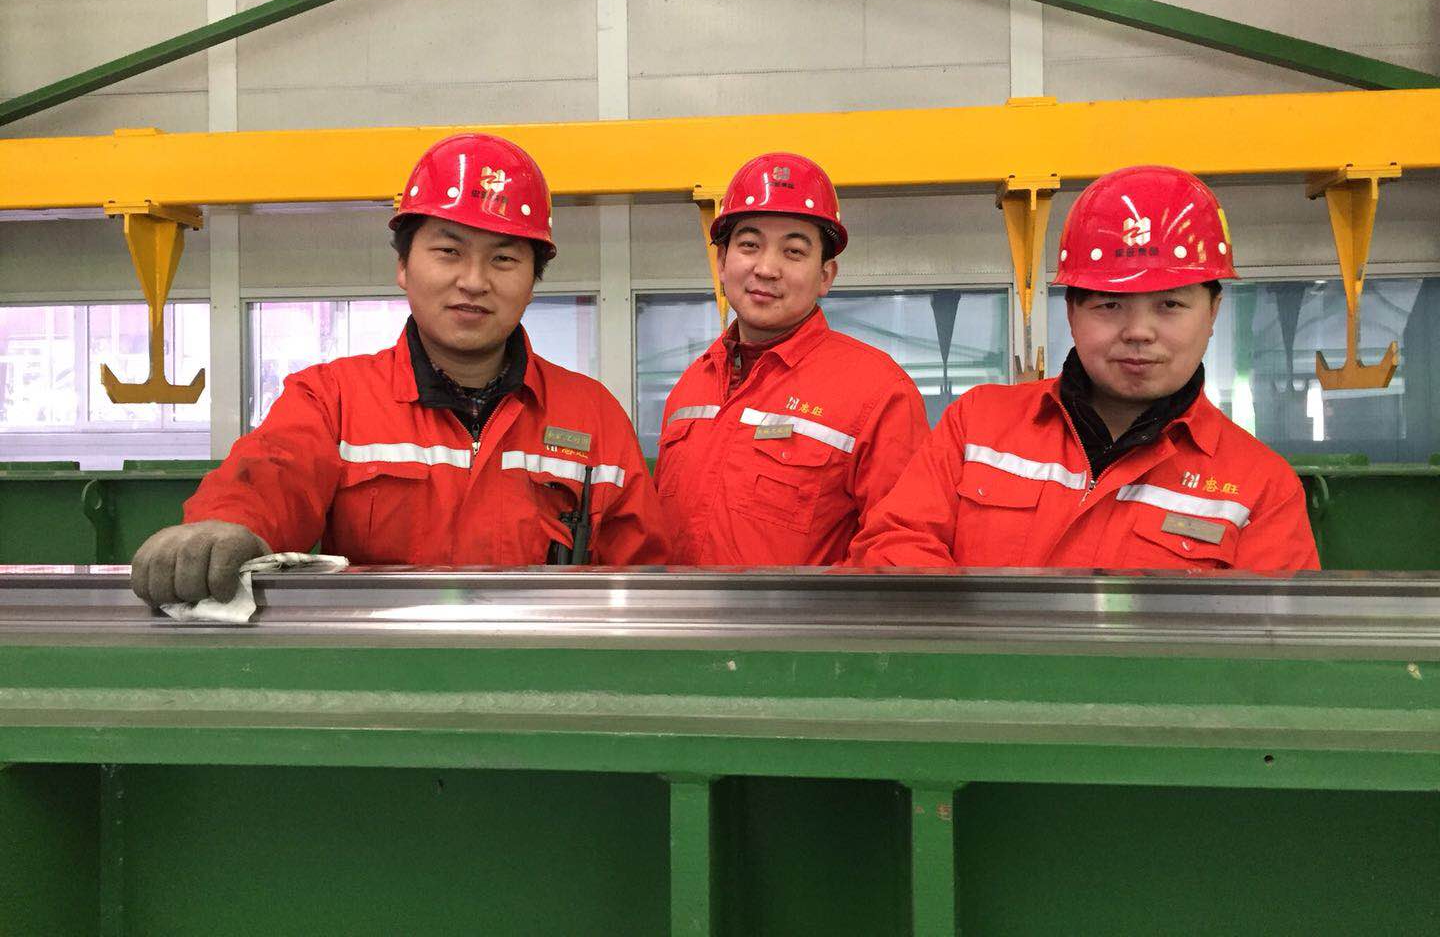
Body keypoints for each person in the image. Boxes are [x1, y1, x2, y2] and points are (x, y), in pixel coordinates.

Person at [131, 133, 668, 606]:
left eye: (504, 259)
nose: (474, 281)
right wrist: (227, 526)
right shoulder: (332, 399)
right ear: (404, 267)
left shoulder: (591, 414)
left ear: (532, 281)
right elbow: (273, 474)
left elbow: (642, 579)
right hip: (376, 672)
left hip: (542, 673)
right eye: (449, 251)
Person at [848, 164, 1319, 572]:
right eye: (1110, 305)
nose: (1138, 332)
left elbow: (1271, 639)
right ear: (1072, 312)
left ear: (1213, 312)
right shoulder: (978, 426)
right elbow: (892, 544)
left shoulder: (1261, 490)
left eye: (1170, 305)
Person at [655, 152, 929, 566]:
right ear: (722, 262)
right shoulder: (691, 386)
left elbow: (898, 555)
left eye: (794, 251)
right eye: (749, 245)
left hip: (807, 613)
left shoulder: (879, 393)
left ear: (825, 276)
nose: (766, 268)